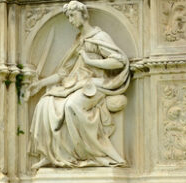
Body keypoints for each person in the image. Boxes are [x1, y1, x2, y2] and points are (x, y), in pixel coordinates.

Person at [28, 0, 130, 169]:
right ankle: (51, 154)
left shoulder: (99, 37)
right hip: (75, 84)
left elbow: (118, 62)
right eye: (68, 17)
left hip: (96, 84)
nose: (70, 20)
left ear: (84, 15)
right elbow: (64, 72)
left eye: (72, 15)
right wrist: (40, 84)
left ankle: (92, 154)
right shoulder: (78, 40)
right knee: (44, 103)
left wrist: (91, 61)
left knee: (71, 106)